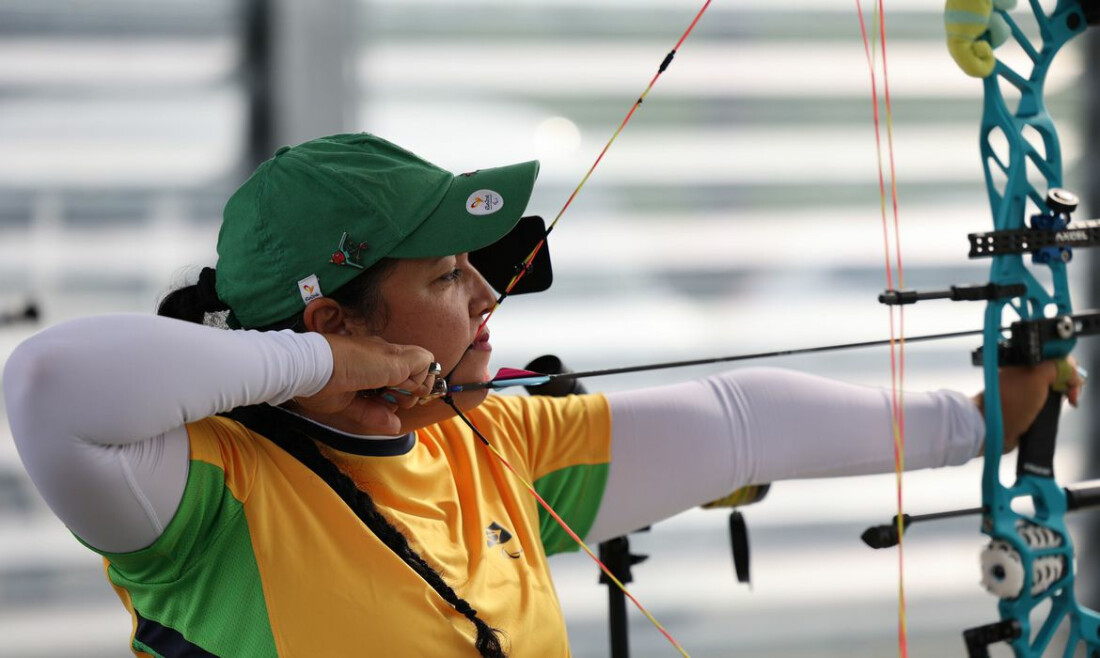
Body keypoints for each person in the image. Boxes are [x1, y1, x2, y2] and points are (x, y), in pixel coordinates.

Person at [2, 133, 1080, 658]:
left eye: (476, 266)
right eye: (441, 276)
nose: (484, 295)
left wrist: (984, 419)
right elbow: (47, 382)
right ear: (330, 320)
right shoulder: (197, 497)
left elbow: (740, 419)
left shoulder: (497, 443)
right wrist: (323, 372)